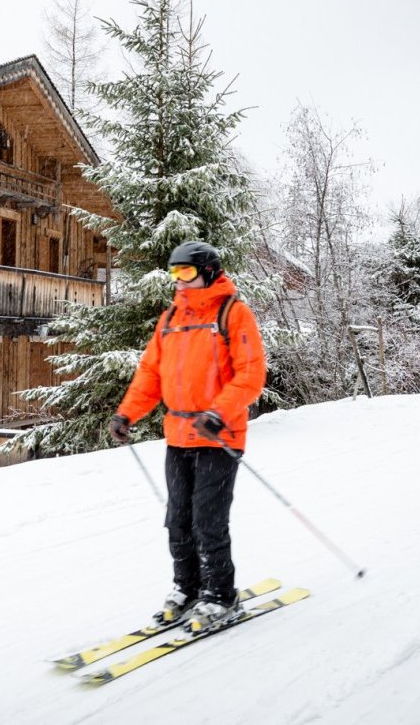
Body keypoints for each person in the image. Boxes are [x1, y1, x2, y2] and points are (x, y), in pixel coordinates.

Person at [107, 241, 266, 634]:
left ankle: (221, 595)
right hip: (178, 435)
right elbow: (150, 375)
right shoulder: (170, 319)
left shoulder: (234, 314)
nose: (180, 280)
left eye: (187, 272)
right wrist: (127, 413)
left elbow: (251, 375)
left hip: (219, 435)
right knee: (178, 520)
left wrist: (219, 412)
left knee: (208, 520)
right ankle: (189, 588)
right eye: (175, 273)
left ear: (209, 272)